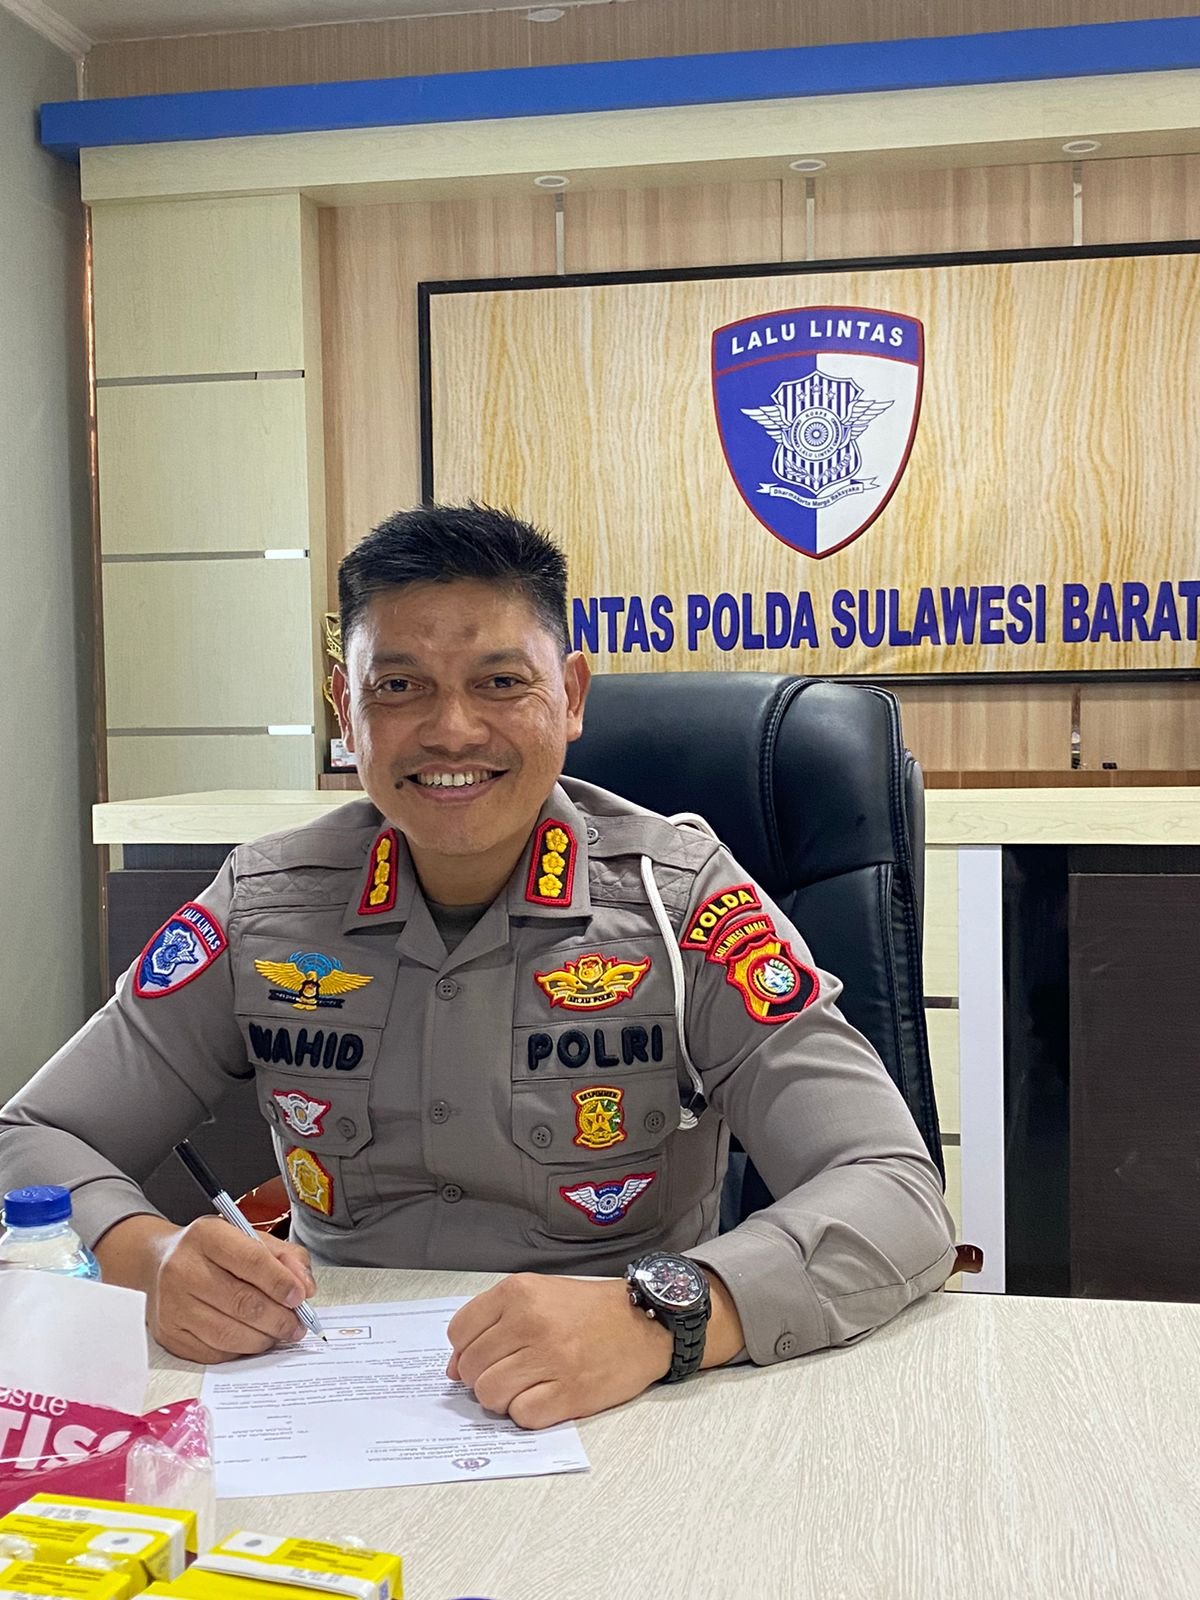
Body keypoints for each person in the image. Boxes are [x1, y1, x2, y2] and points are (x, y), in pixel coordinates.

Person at [0, 504, 956, 1428]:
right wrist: (144, 1256)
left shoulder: (683, 904)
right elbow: (31, 1136)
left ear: (570, 696)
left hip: (624, 1401)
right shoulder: (264, 905)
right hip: (320, 1393)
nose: (452, 730)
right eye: (399, 685)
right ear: (345, 708)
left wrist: (664, 1315)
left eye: (501, 681)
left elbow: (894, 1187)